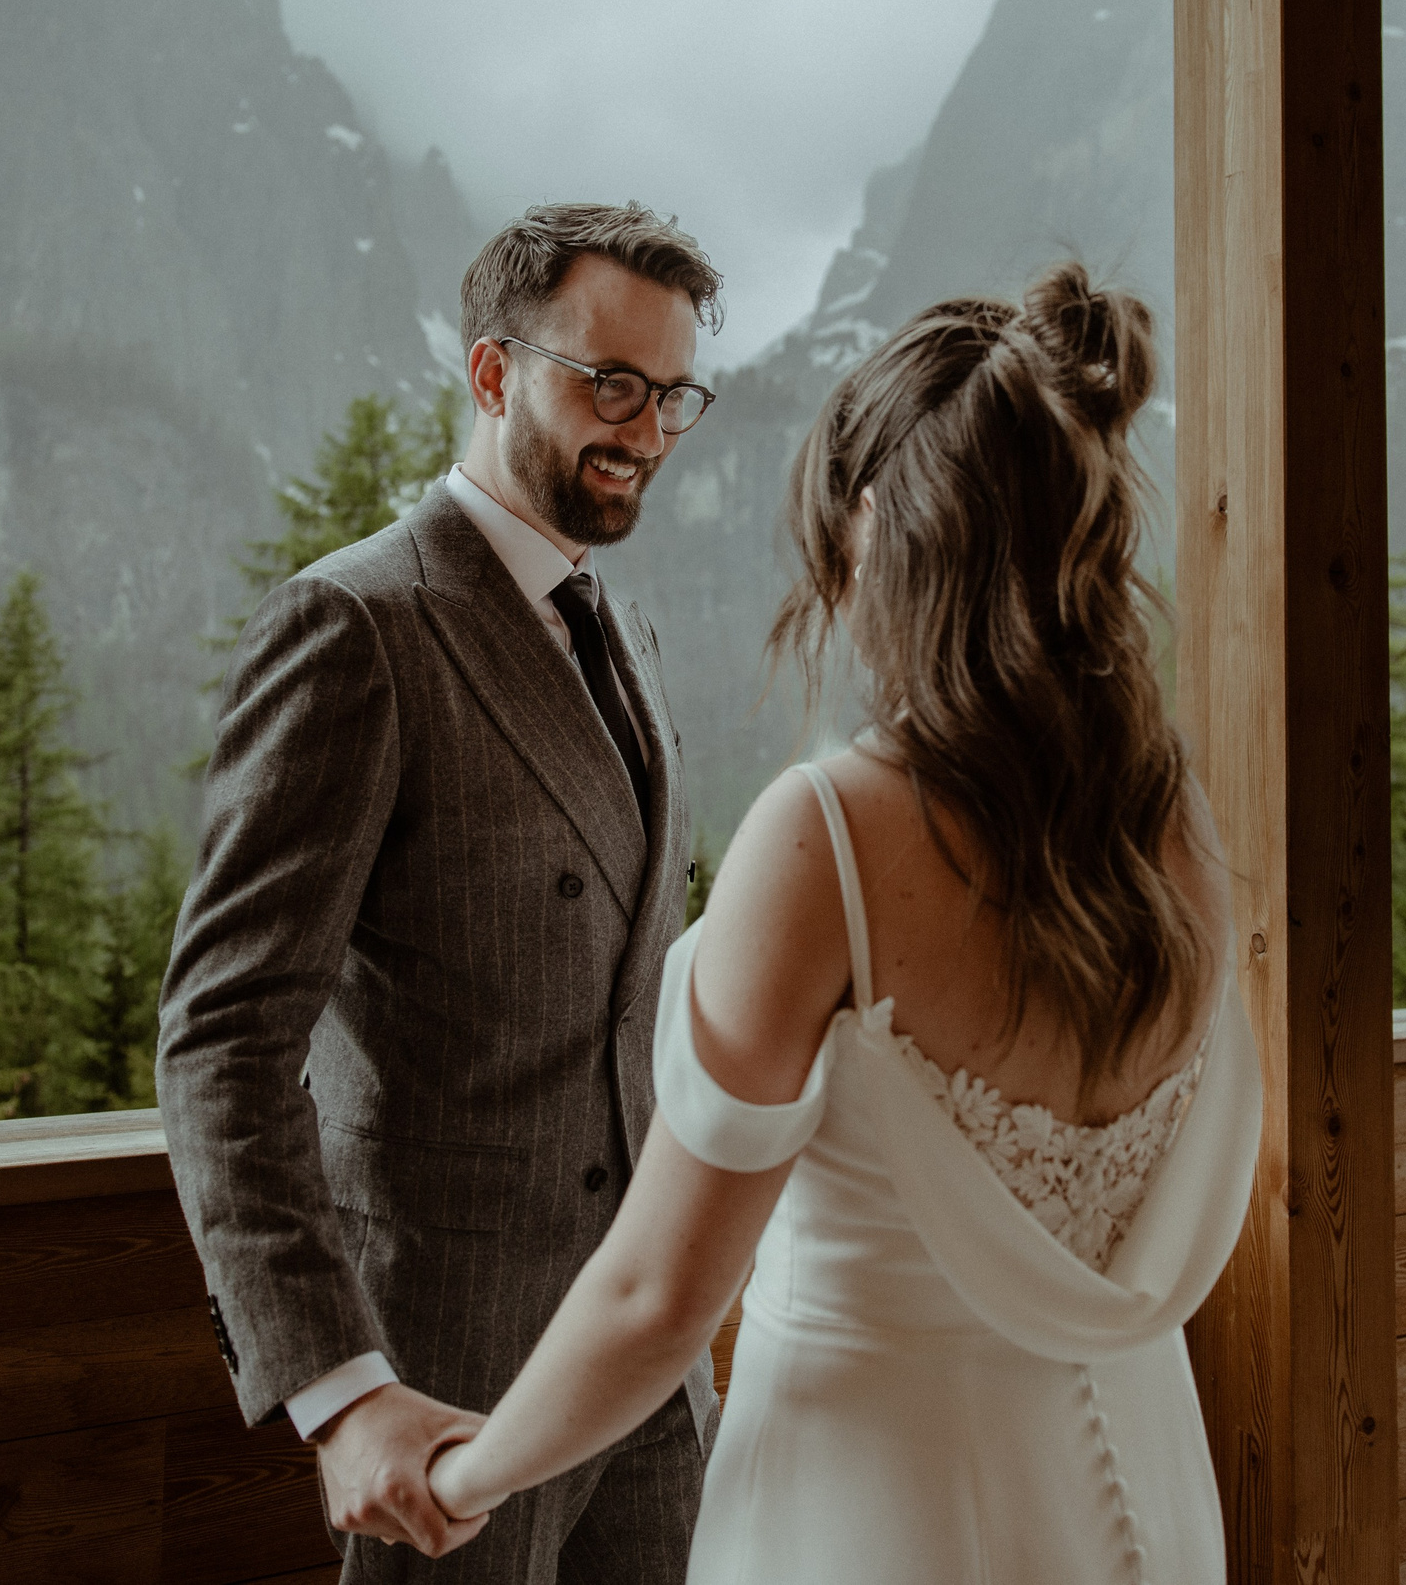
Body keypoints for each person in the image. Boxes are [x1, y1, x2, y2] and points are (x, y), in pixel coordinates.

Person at [422, 263, 1262, 1583]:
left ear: (873, 523)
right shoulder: (1177, 835)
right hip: (1141, 1488)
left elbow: (660, 1301)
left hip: (877, 1505)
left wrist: (455, 1475)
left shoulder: (828, 840)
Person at [156, 201, 725, 1581]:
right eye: (610, 384)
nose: (645, 430)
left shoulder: (624, 627)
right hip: (444, 1384)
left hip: (647, 1367)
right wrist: (339, 1391)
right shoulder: (353, 626)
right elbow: (222, 1044)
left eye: (673, 395)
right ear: (491, 373)